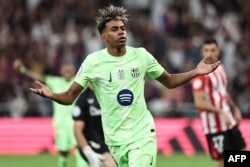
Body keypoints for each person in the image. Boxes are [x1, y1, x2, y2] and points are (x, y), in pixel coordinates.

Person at [29, 5, 220, 167]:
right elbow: (70, 96)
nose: (121, 31)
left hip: (142, 134)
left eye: (122, 28)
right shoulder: (93, 62)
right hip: (114, 139)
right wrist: (52, 95)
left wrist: (195, 72)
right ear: (103, 36)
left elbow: (169, 81)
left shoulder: (141, 55)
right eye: (114, 29)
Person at [13, 59, 86, 167]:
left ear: (74, 72)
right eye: (65, 70)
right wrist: (23, 70)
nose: (67, 72)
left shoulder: (78, 82)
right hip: (60, 122)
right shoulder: (55, 81)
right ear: (61, 72)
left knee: (80, 147)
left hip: (75, 121)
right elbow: (38, 78)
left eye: (69, 71)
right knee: (63, 151)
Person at [191, 38, 246, 167]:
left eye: (212, 50)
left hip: (229, 122)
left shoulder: (220, 68)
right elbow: (199, 103)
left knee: (241, 155)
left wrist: (234, 108)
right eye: (206, 50)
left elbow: (222, 91)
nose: (209, 54)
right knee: (222, 161)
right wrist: (221, 111)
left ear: (218, 52)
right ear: (201, 52)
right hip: (214, 127)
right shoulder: (200, 74)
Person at [73, 85, 116, 167]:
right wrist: (88, 152)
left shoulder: (109, 94)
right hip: (93, 143)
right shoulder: (83, 99)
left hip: (111, 141)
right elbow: (77, 130)